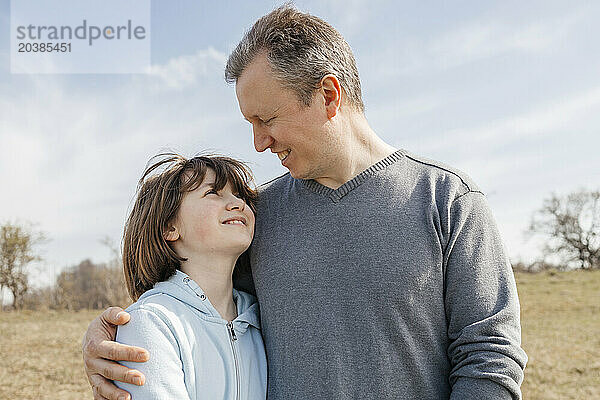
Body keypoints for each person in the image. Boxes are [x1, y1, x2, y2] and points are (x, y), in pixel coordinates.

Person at [82, 5, 527, 400]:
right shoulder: (260, 215)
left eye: (267, 119)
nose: (258, 143)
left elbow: (490, 357)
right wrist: (114, 334)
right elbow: (200, 303)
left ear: (328, 96)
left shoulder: (448, 201)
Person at [110, 153, 266, 399]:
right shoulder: (151, 322)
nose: (238, 203)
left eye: (239, 195)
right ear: (170, 227)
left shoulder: (259, 318)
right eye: (213, 192)